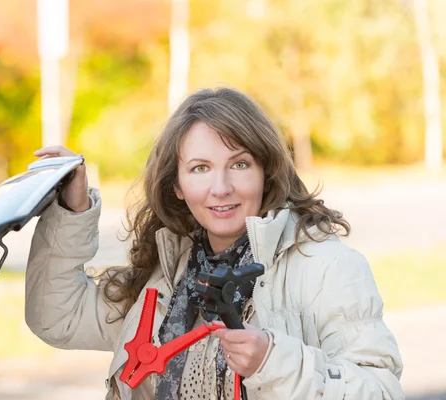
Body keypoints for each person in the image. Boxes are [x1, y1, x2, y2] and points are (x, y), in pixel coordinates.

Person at [25, 88, 404, 400]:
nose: (221, 188)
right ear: (177, 185)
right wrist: (71, 209)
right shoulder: (166, 272)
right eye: (200, 168)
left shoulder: (328, 267)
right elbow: (58, 316)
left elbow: (381, 391)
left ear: (266, 172)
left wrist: (273, 362)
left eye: (239, 164)